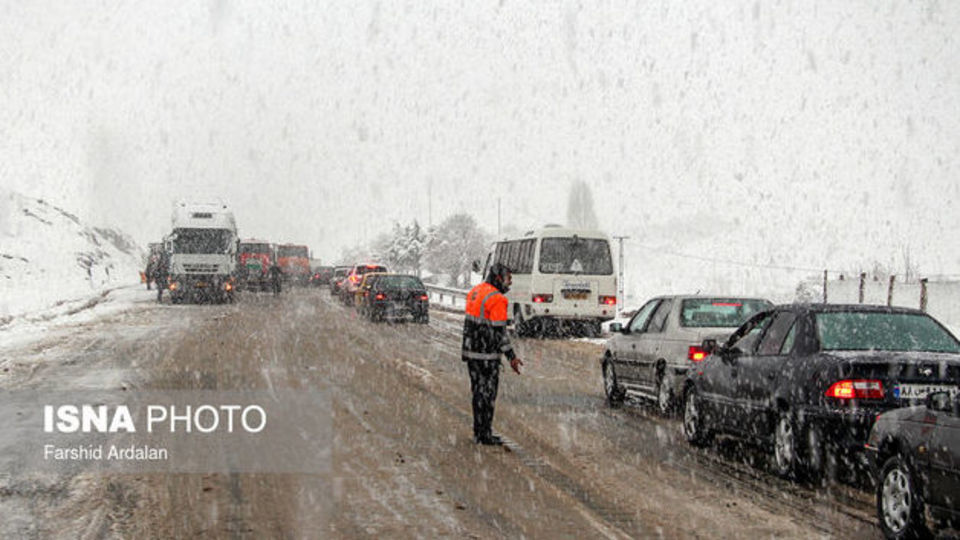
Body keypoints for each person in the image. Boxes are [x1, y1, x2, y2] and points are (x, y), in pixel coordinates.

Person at [462, 262, 523, 446]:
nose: (509, 284)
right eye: (508, 279)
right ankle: (485, 433)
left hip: (472, 353)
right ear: (498, 278)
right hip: (487, 356)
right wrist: (511, 357)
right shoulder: (497, 299)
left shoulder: (475, 291)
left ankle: (478, 431)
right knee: (488, 396)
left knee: (477, 394)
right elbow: (499, 334)